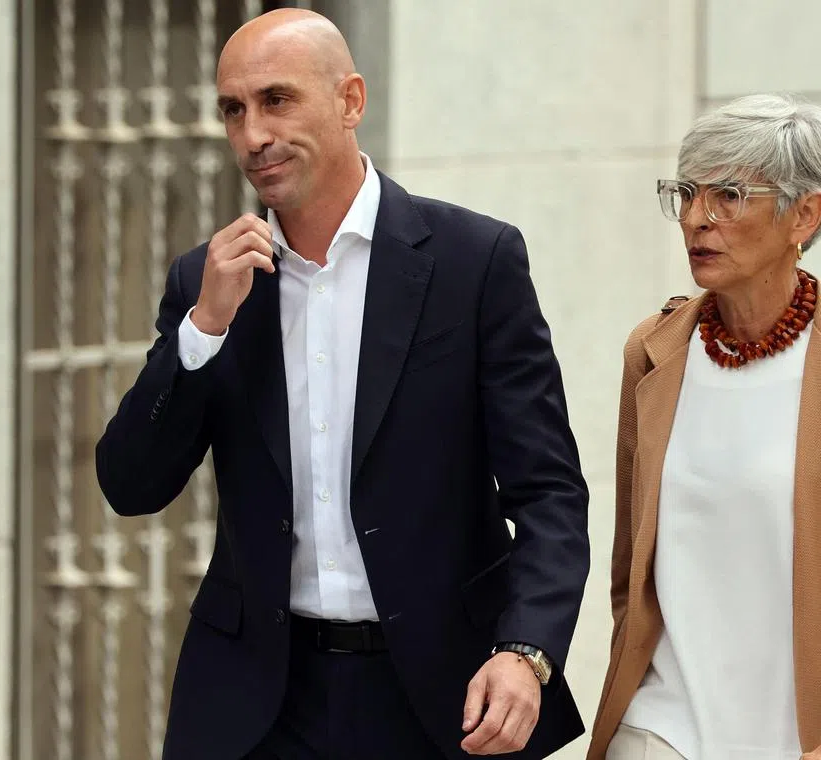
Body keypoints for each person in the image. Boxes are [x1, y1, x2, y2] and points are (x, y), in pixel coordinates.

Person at [95, 8, 590, 760]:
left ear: (350, 101)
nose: (253, 134)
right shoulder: (209, 281)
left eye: (277, 100)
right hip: (258, 703)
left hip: (439, 696)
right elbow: (131, 484)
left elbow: (549, 491)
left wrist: (526, 651)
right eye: (234, 109)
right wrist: (201, 331)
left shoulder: (472, 261)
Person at [587, 93, 821, 760]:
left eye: (728, 195)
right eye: (687, 194)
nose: (698, 219)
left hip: (809, 737)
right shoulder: (654, 353)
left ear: (803, 214)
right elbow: (628, 571)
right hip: (661, 730)